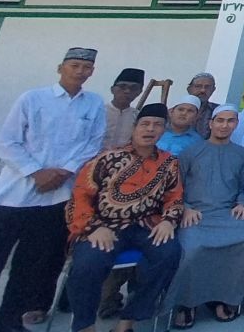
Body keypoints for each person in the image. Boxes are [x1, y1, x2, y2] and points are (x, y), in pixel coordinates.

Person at [0, 47, 105, 332]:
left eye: (86, 68)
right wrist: (36, 172)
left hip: (56, 198)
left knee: (29, 270)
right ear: (60, 67)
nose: (80, 72)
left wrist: (63, 171)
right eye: (74, 65)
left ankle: (9, 324)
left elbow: (92, 144)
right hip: (12, 198)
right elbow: (7, 142)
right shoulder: (33, 98)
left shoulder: (93, 104)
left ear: (92, 72)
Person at [65, 103, 183, 332]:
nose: (150, 129)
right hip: (104, 226)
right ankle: (84, 326)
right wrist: (92, 227)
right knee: (88, 263)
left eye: (157, 125)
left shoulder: (169, 162)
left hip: (145, 226)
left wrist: (169, 220)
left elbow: (174, 197)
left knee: (169, 253)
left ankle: (127, 321)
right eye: (145, 124)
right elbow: (79, 196)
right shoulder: (106, 158)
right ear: (135, 127)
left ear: (163, 130)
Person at [165, 106, 244, 327]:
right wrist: (186, 207)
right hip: (195, 215)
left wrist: (242, 204)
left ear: (236, 124)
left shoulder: (242, 154)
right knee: (192, 248)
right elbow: (175, 186)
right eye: (220, 120)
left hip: (227, 214)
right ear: (210, 123)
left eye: (230, 121)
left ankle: (223, 299)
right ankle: (186, 303)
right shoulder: (191, 152)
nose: (224, 125)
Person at [101, 68, 144, 150]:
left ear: (139, 92)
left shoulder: (138, 117)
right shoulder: (98, 112)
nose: (127, 91)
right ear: (112, 89)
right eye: (122, 86)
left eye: (133, 88)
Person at [186, 73, 219, 138]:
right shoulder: (177, 110)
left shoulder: (218, 111)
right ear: (189, 89)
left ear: (213, 90)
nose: (203, 90)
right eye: (198, 86)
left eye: (207, 87)